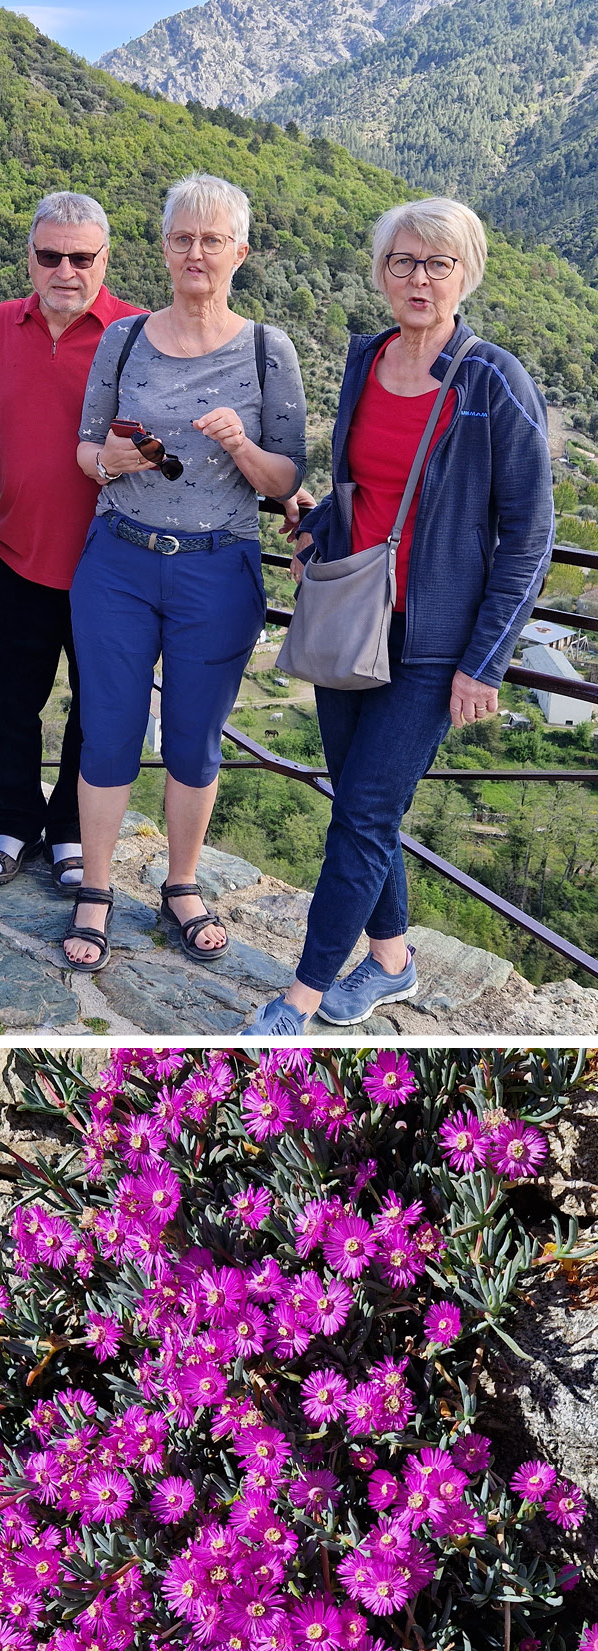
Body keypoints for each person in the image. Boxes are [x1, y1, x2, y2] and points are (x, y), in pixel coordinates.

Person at [247, 197, 555, 1032]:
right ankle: (391, 960)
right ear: (381, 272)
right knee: (355, 798)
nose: (418, 279)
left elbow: (531, 534)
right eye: (402, 262)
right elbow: (364, 490)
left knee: (363, 815)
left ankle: (299, 997)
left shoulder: (493, 379)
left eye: (437, 264)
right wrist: (317, 527)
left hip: (432, 640)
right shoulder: (365, 358)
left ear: (465, 274)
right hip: (352, 614)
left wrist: (483, 660)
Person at [62, 173, 305, 977]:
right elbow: (84, 450)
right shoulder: (121, 339)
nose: (194, 253)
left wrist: (239, 444)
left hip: (218, 569)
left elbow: (282, 478)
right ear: (162, 247)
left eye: (211, 240)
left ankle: (180, 884)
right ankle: (94, 890)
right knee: (107, 733)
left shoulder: (269, 351)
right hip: (119, 561)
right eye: (180, 238)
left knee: (196, 741)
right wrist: (110, 461)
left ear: (239, 251)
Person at [0, 192, 143, 894]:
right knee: (8, 699)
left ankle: (67, 830)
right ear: (29, 259)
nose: (64, 269)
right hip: (18, 554)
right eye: (49, 255)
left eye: (80, 256)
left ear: (103, 260)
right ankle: (13, 821)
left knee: (96, 711)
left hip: (113, 566)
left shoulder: (136, 334)